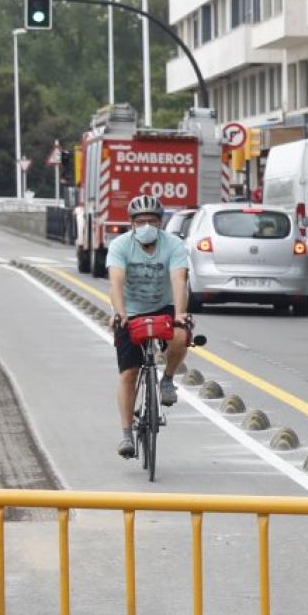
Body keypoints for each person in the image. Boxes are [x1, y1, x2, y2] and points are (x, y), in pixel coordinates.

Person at [106, 194, 192, 459]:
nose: (146, 226)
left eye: (152, 221)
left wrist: (180, 314)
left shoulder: (174, 245)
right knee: (129, 373)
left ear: (161, 222)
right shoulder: (120, 245)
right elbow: (116, 282)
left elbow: (179, 279)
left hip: (164, 306)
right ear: (131, 223)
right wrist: (119, 313)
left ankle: (167, 380)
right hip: (130, 311)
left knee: (181, 335)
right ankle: (126, 434)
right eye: (140, 221)